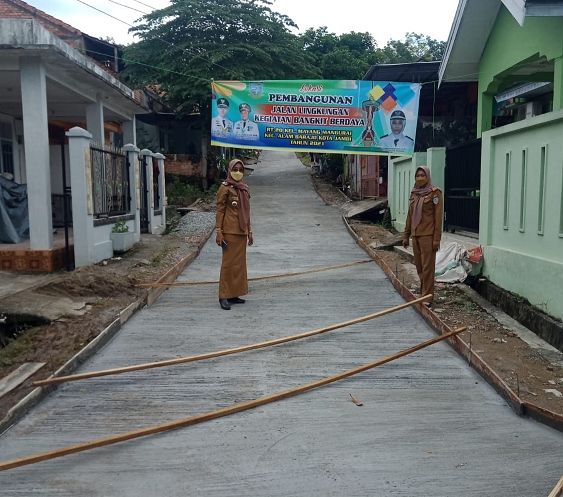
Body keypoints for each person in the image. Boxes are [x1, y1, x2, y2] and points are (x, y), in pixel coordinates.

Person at [215, 159, 253, 310]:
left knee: (239, 265)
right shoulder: (225, 188)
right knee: (228, 265)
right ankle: (223, 296)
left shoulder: (244, 188)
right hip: (229, 232)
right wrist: (219, 231)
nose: (237, 172)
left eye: (240, 170)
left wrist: (249, 231)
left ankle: (234, 294)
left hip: (242, 232)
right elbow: (220, 211)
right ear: (229, 170)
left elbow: (246, 212)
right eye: (235, 169)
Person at [402, 166, 443, 306]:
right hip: (416, 235)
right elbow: (410, 216)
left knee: (428, 268)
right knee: (419, 267)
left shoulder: (435, 193)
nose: (420, 178)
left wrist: (436, 239)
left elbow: (438, 219)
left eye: (422, 175)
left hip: (428, 236)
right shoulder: (414, 193)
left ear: (428, 177)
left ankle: (427, 297)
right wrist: (406, 235)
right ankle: (423, 292)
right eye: (417, 175)